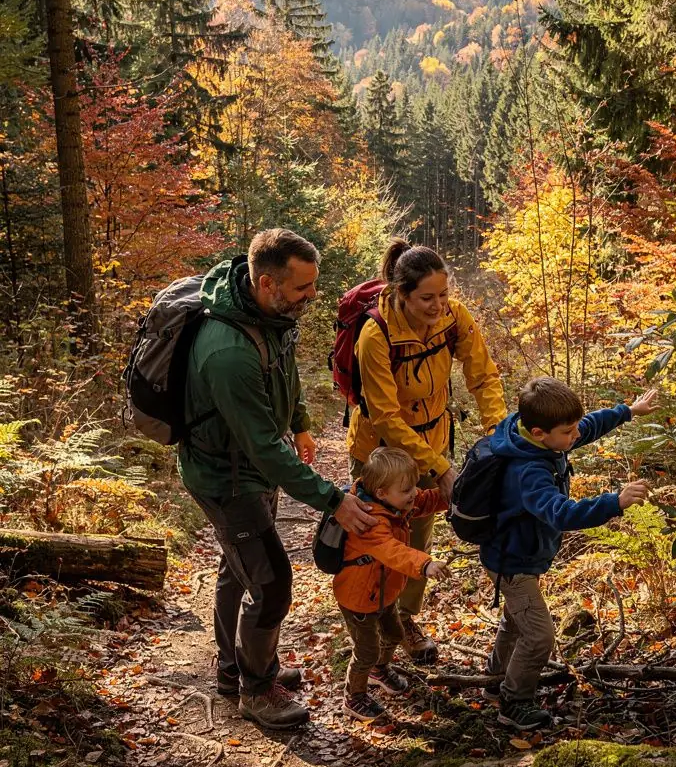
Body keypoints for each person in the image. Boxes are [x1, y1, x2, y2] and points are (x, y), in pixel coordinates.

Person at [178, 229, 377, 732]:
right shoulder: (228, 352)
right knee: (271, 584)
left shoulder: (269, 315)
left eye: (313, 284)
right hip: (225, 479)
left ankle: (237, 668)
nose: (312, 295)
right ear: (267, 283)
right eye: (302, 287)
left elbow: (284, 371)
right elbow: (264, 450)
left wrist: (301, 422)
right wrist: (331, 499)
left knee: (238, 569)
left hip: (247, 468)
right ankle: (257, 689)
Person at [348, 240, 506, 666]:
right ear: (402, 293)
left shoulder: (454, 318)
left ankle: (404, 620)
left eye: (443, 294)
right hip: (380, 453)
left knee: (418, 535)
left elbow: (483, 376)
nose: (438, 305)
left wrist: (500, 434)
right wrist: (440, 468)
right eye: (427, 298)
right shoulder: (375, 334)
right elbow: (385, 416)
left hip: (432, 439)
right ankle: (367, 630)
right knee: (375, 541)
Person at [479, 376, 658, 732]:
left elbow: (587, 427)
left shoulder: (538, 440)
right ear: (540, 433)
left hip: (518, 556)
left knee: (516, 621)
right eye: (567, 431)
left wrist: (628, 411)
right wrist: (615, 502)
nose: (576, 435)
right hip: (512, 564)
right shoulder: (529, 470)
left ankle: (495, 681)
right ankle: (514, 702)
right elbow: (561, 513)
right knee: (539, 636)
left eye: (573, 428)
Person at [333, 447, 451, 722]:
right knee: (366, 650)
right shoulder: (369, 521)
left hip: (383, 594)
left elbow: (426, 500)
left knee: (394, 634)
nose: (414, 493)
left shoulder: (395, 503)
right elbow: (392, 551)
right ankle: (354, 696)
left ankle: (379, 670)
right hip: (359, 599)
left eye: (414, 486)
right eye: (407, 489)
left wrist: (451, 493)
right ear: (382, 493)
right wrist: (425, 564)